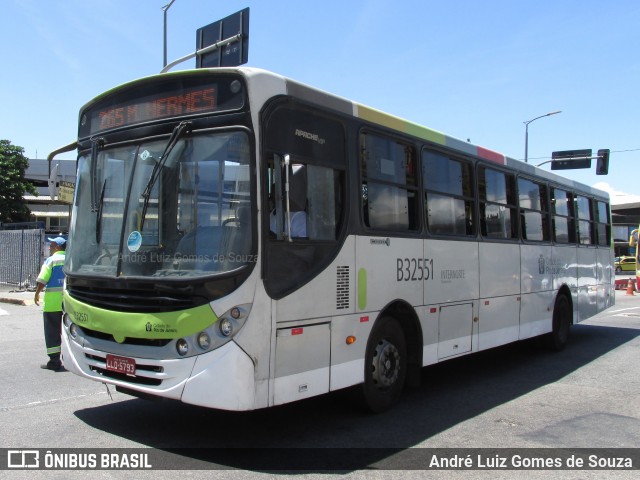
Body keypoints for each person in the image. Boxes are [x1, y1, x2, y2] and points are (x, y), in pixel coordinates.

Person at [34, 236, 67, 371]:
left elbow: (42, 280)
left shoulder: (51, 260)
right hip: (69, 304)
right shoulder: (72, 259)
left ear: (57, 247)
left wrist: (36, 293)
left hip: (53, 305)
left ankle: (54, 361)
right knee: (67, 332)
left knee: (52, 332)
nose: (49, 247)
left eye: (52, 245)